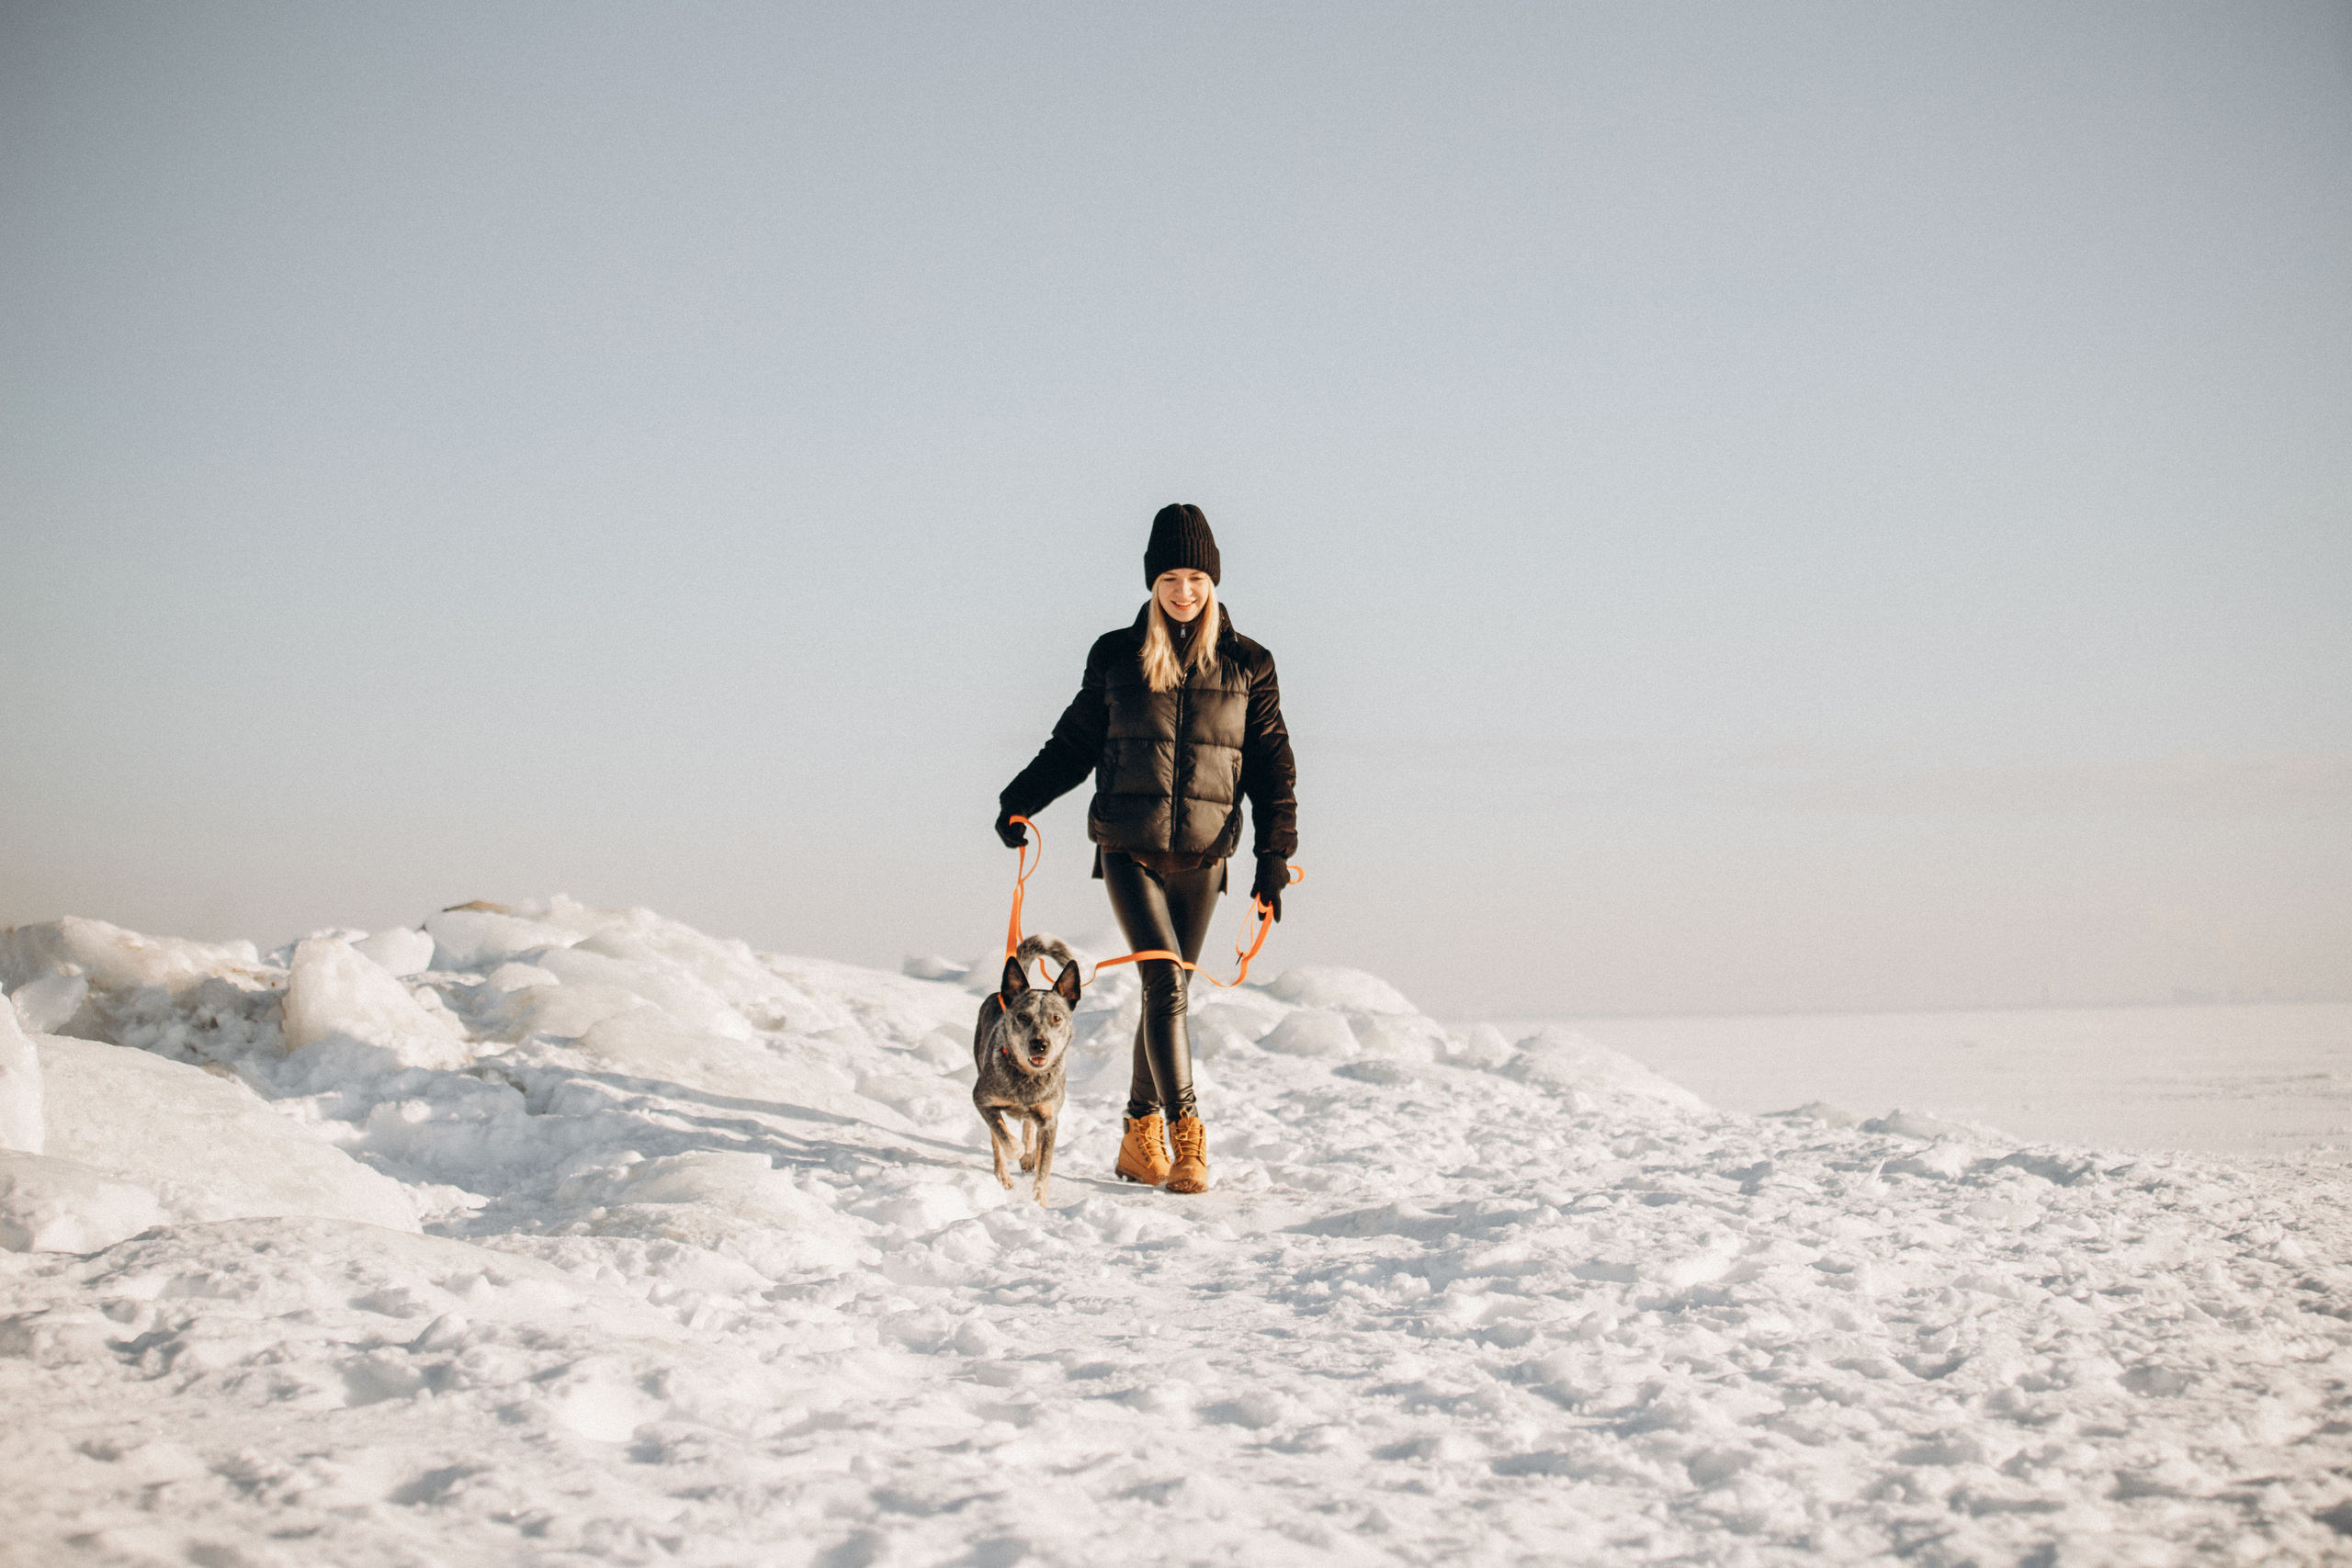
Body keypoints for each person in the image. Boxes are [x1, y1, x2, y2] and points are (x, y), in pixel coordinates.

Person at [995, 503, 1298, 1194]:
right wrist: (1019, 799)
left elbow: (1272, 767)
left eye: (1195, 576)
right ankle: (1187, 1137)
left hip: (1206, 854)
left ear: (1212, 581)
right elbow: (1072, 744)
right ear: (1151, 581)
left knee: (1172, 996)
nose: (1183, 591)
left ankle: (1137, 1133)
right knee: (1164, 987)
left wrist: (1273, 858)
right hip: (1129, 850)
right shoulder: (1116, 656)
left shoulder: (1250, 663)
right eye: (1170, 577)